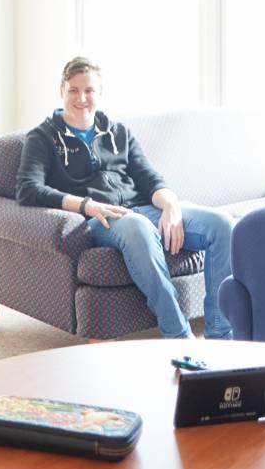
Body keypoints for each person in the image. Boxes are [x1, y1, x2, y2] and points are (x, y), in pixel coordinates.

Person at [15, 57, 235, 340]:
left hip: (143, 207)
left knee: (221, 224)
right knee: (137, 226)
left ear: (100, 94)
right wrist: (85, 205)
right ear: (62, 92)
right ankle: (178, 335)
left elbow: (150, 178)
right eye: (73, 90)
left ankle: (220, 334)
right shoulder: (43, 137)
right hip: (100, 217)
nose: (81, 98)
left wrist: (170, 205)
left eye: (89, 90)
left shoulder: (119, 133)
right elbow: (28, 189)